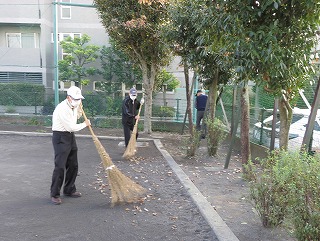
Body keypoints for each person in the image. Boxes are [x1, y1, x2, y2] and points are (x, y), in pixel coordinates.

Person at [50, 86, 91, 205]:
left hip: (70, 136)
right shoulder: (62, 108)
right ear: (69, 98)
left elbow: (75, 119)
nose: (78, 101)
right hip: (60, 137)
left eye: (79, 99)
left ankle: (69, 189)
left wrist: (78, 110)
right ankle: (54, 194)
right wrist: (85, 124)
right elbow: (71, 126)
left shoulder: (74, 105)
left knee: (73, 164)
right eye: (76, 99)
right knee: (60, 166)